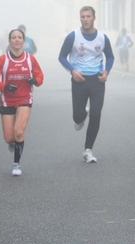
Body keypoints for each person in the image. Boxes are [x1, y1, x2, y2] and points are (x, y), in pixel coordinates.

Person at [58, 6, 114, 163]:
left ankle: (88, 150)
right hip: (79, 80)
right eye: (82, 16)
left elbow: (110, 57)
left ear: (94, 17)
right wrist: (72, 71)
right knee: (77, 118)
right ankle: (82, 115)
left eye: (88, 16)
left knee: (96, 115)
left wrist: (106, 71)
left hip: (97, 81)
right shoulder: (73, 36)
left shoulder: (103, 38)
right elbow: (62, 56)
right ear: (80, 18)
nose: (85, 19)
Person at [0, 29, 44, 176]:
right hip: (7, 100)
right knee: (9, 137)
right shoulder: (3, 59)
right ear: (9, 41)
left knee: (19, 131)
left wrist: (35, 81)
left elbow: (40, 77)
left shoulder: (30, 59)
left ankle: (16, 164)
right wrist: (5, 87)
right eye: (14, 37)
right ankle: (14, 143)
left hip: (25, 98)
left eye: (20, 37)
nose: (17, 40)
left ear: (24, 41)